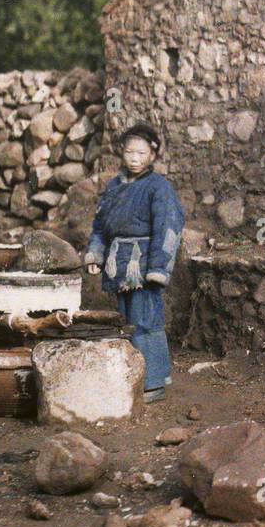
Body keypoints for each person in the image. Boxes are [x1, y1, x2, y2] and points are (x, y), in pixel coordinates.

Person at [84, 123, 186, 403]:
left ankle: (153, 382)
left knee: (145, 321)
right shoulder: (114, 187)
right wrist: (96, 254)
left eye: (141, 153)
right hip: (119, 264)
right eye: (130, 151)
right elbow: (100, 226)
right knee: (126, 322)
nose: (134, 158)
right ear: (122, 152)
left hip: (141, 266)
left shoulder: (159, 187)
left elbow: (168, 227)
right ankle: (133, 378)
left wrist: (157, 268)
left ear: (152, 155)